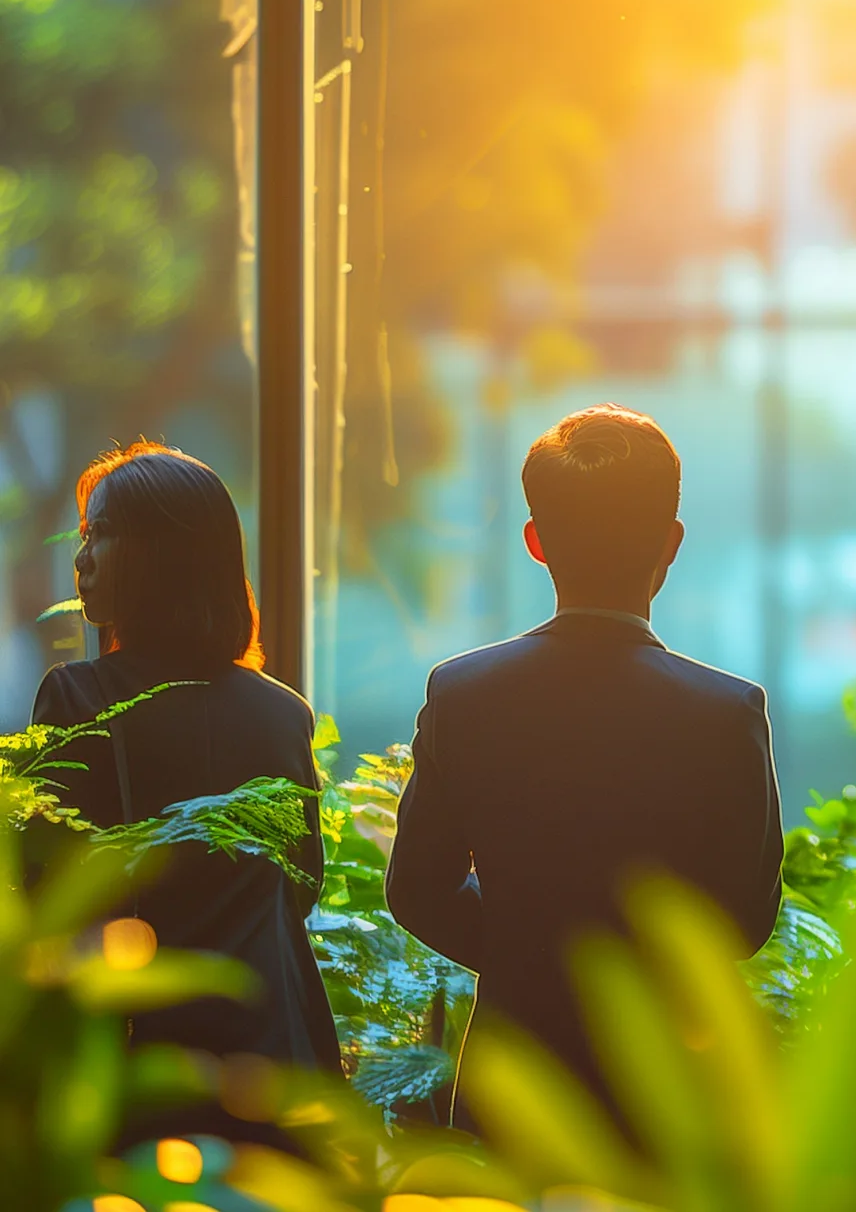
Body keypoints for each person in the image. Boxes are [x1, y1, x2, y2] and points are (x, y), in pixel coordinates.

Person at [387, 404, 784, 1124]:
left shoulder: (464, 694)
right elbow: (745, 918)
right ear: (671, 543)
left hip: (515, 1071)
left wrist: (525, 950)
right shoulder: (726, 712)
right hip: (668, 1081)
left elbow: (416, 889)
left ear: (536, 543)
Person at [31, 442, 340, 1138]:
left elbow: (52, 897)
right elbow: (300, 883)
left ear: (158, 553)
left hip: (144, 1070)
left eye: (100, 534)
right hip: (279, 1068)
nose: (81, 559)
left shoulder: (77, 698)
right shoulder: (283, 712)